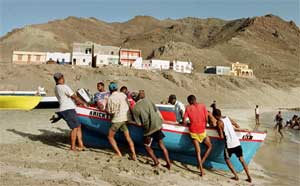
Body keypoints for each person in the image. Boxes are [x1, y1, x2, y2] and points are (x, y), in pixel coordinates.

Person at [131, 92, 171, 170]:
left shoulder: (135, 108)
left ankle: (156, 162)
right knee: (162, 145)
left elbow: (139, 124)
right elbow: (156, 110)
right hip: (157, 125)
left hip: (149, 129)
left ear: (134, 99)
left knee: (147, 146)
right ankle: (168, 163)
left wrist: (130, 122)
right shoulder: (148, 100)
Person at [213, 109, 252, 183]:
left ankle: (236, 176)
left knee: (227, 159)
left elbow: (221, 136)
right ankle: (249, 177)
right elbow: (236, 124)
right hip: (237, 142)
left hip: (229, 144)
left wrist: (216, 128)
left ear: (215, 116)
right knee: (241, 159)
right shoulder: (227, 118)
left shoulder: (219, 122)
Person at [53, 73, 85, 151]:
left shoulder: (56, 87)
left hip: (66, 109)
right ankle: (72, 147)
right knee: (74, 128)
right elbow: (74, 96)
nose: (64, 79)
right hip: (68, 109)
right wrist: (83, 103)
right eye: (62, 78)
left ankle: (81, 145)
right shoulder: (64, 87)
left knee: (78, 126)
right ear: (61, 78)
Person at [183, 95, 212, 176]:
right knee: (209, 146)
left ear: (189, 101)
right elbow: (206, 118)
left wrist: (186, 123)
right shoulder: (202, 106)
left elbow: (184, 120)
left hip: (193, 131)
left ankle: (201, 171)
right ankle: (202, 161)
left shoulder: (188, 108)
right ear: (195, 99)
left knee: (198, 152)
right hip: (202, 131)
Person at [107, 82, 137, 160]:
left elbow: (111, 112)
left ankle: (118, 153)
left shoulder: (110, 98)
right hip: (126, 118)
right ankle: (134, 154)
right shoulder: (123, 95)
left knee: (110, 137)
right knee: (128, 137)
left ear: (110, 89)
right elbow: (129, 106)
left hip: (118, 119)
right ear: (117, 88)